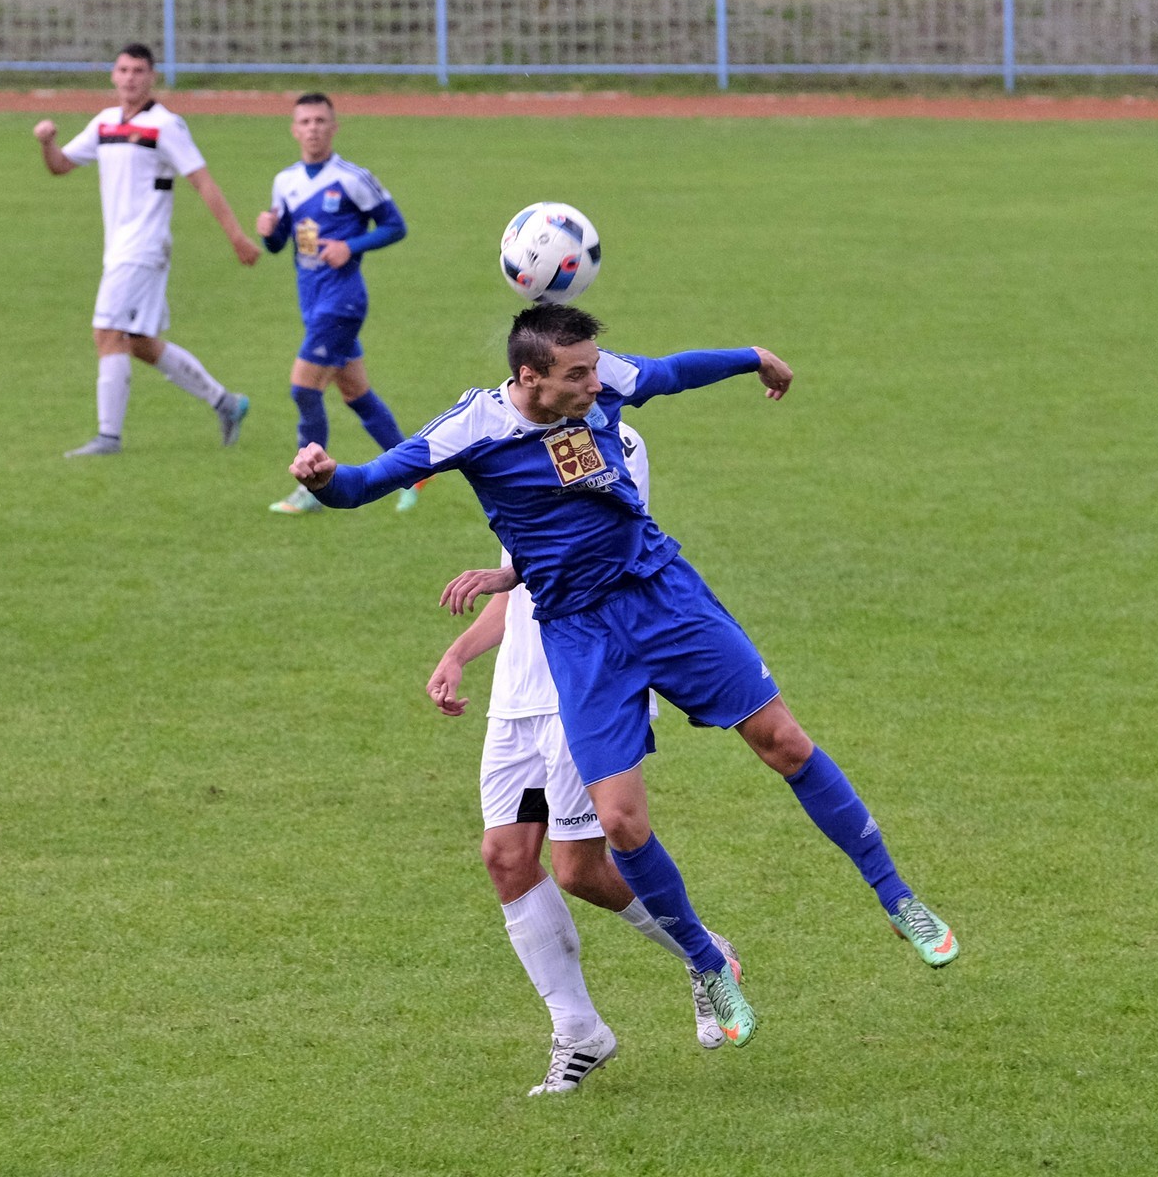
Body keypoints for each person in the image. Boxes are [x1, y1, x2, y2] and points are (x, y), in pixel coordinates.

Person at [293, 303, 961, 1048]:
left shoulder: (600, 381)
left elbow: (671, 373)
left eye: (594, 370)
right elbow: (365, 483)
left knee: (785, 742)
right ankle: (706, 960)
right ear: (530, 377)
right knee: (617, 823)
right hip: (580, 638)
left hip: (663, 597)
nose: (595, 384)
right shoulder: (472, 427)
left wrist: (751, 356)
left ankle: (898, 899)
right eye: (576, 375)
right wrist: (324, 478)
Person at [427, 418, 744, 1096]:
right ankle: (578, 1032)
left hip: (586, 687)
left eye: (589, 372)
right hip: (518, 700)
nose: (589, 382)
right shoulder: (512, 442)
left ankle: (704, 951)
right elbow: (518, 591)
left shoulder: (611, 443)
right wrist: (457, 654)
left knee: (578, 869)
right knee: (506, 856)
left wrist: (504, 569)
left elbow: (576, 553)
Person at [34, 43, 259, 458]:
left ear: (151, 77)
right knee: (139, 342)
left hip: (144, 246)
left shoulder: (165, 126)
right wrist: (47, 143)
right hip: (120, 248)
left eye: (138, 71)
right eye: (123, 70)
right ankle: (226, 403)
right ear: (112, 75)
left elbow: (202, 181)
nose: (130, 78)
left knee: (106, 332)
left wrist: (236, 236)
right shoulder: (105, 123)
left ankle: (108, 438)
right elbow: (61, 165)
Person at [255, 94, 419, 515]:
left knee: (303, 389)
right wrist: (269, 231)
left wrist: (351, 246)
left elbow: (395, 226)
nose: (313, 128)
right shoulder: (285, 181)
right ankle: (415, 471)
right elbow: (279, 243)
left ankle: (311, 487)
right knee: (355, 393)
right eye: (305, 121)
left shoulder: (351, 178)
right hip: (312, 301)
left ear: (334, 127)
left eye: (320, 120)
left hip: (342, 302)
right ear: (294, 130)